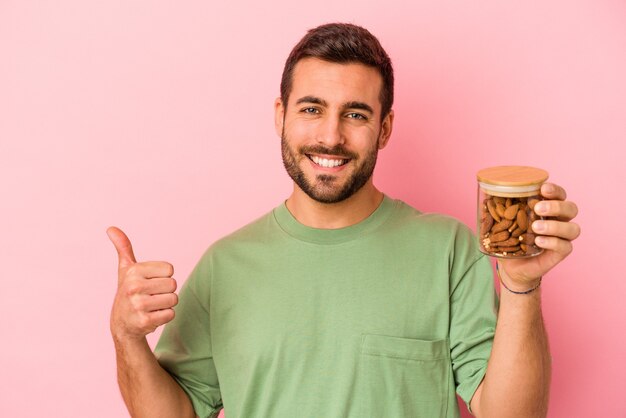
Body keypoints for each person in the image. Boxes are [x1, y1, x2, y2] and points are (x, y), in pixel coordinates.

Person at [107, 23, 580, 418]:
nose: (330, 137)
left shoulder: (450, 248)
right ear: (281, 116)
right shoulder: (224, 265)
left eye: (355, 114)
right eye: (312, 109)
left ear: (385, 128)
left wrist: (522, 286)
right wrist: (126, 336)